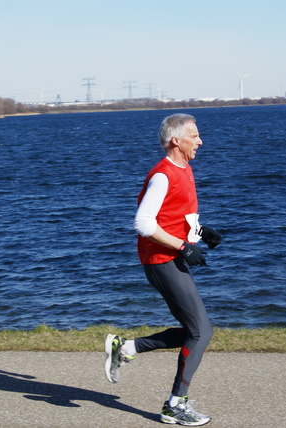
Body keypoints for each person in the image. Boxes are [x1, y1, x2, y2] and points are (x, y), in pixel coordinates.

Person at [105, 113, 222, 426]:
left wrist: (200, 233)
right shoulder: (163, 174)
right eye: (194, 135)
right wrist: (183, 247)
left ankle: (127, 348)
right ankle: (174, 405)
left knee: (193, 331)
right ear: (176, 140)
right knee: (201, 331)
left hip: (172, 257)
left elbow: (176, 217)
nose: (200, 140)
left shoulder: (185, 168)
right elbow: (143, 223)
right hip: (160, 260)